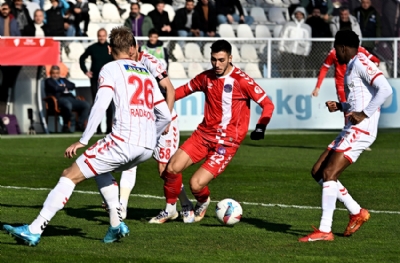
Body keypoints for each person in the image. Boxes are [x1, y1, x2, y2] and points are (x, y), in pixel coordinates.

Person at [3, 26, 171, 246]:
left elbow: (100, 104)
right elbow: (166, 116)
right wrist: (150, 135)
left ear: (110, 48)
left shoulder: (110, 69)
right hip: (147, 148)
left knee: (69, 174)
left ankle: (34, 229)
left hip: (123, 142)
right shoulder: (146, 73)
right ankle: (115, 224)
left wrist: (83, 139)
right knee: (100, 169)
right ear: (133, 48)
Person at [149, 39, 275, 224]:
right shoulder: (206, 77)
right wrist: (157, 99)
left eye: (221, 60)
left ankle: (202, 200)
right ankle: (170, 210)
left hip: (226, 144)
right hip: (202, 136)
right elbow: (180, 91)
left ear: (230, 58)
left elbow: (267, 104)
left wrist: (260, 126)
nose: (217, 64)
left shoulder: (242, 81)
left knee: (195, 184)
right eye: (214, 59)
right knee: (172, 168)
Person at [299, 30, 393, 242]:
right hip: (352, 127)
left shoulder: (360, 62)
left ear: (342, 47)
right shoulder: (351, 66)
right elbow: (361, 99)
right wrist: (342, 106)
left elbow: (385, 89)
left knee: (330, 172)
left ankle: (325, 229)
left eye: (335, 48)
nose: (334, 53)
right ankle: (356, 211)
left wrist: (364, 113)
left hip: (362, 129)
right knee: (318, 172)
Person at [98, 48, 192, 223]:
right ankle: (122, 207)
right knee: (130, 160)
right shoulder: (124, 64)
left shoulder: (150, 62)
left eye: (131, 52)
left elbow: (170, 90)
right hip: (143, 119)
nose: (129, 56)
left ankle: (184, 204)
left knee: (166, 169)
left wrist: (167, 118)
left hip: (163, 119)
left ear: (135, 48)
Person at [311, 46, 380, 118]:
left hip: (358, 83)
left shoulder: (360, 50)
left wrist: (371, 71)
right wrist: (317, 87)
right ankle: (349, 127)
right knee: (346, 109)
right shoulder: (334, 52)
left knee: (358, 107)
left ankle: (357, 127)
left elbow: (376, 61)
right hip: (342, 85)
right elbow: (324, 68)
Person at [79, 28, 113, 134]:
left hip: (109, 79)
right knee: (97, 104)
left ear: (106, 36)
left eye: (103, 35)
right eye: (100, 35)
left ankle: (109, 129)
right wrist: (86, 71)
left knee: (109, 104)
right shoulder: (92, 48)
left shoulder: (111, 48)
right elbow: (81, 58)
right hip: (95, 79)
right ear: (97, 36)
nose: (102, 37)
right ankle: (97, 129)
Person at [45, 65, 90, 133]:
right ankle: (66, 125)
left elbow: (72, 85)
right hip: (58, 99)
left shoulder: (63, 80)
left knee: (85, 105)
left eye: (57, 73)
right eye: (53, 73)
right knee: (67, 104)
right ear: (51, 73)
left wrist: (62, 86)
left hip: (70, 97)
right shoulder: (48, 81)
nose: (55, 75)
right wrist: (64, 87)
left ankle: (80, 125)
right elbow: (55, 88)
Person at [279, 6, 312, 78]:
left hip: (300, 54)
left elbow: (308, 41)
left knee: (298, 73)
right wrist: (281, 48)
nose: (298, 15)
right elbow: (282, 36)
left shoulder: (307, 27)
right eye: (297, 14)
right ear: (294, 15)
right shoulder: (288, 25)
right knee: (286, 72)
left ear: (303, 15)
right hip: (287, 52)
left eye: (300, 14)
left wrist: (306, 52)